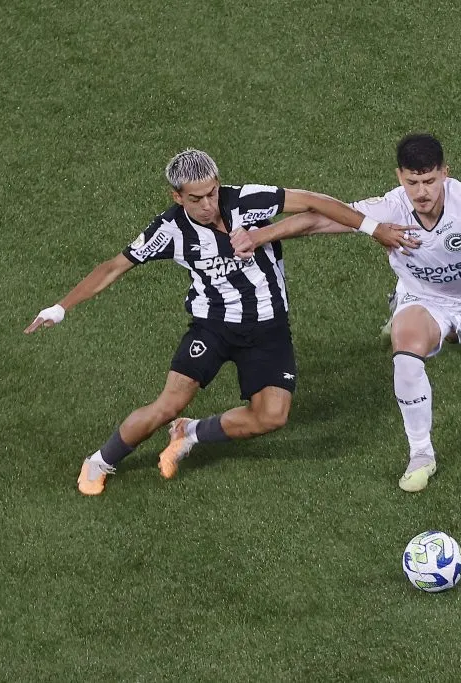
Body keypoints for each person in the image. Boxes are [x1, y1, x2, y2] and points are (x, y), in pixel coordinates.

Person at [25, 148, 417, 495]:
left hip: (269, 327)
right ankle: (101, 461)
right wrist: (60, 307)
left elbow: (314, 201)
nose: (208, 204)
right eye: (196, 199)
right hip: (213, 326)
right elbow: (113, 268)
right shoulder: (169, 231)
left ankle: (191, 432)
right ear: (176, 197)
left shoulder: (248, 200)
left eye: (212, 192)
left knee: (272, 416)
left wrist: (373, 228)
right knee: (169, 403)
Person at [230, 133, 461, 492]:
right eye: (412, 182)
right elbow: (316, 220)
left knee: (452, 338)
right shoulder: (390, 208)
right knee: (406, 353)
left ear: (445, 174)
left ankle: (408, 312)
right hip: (425, 299)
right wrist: (258, 236)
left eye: (430, 181)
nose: (421, 192)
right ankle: (422, 454)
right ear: (399, 176)